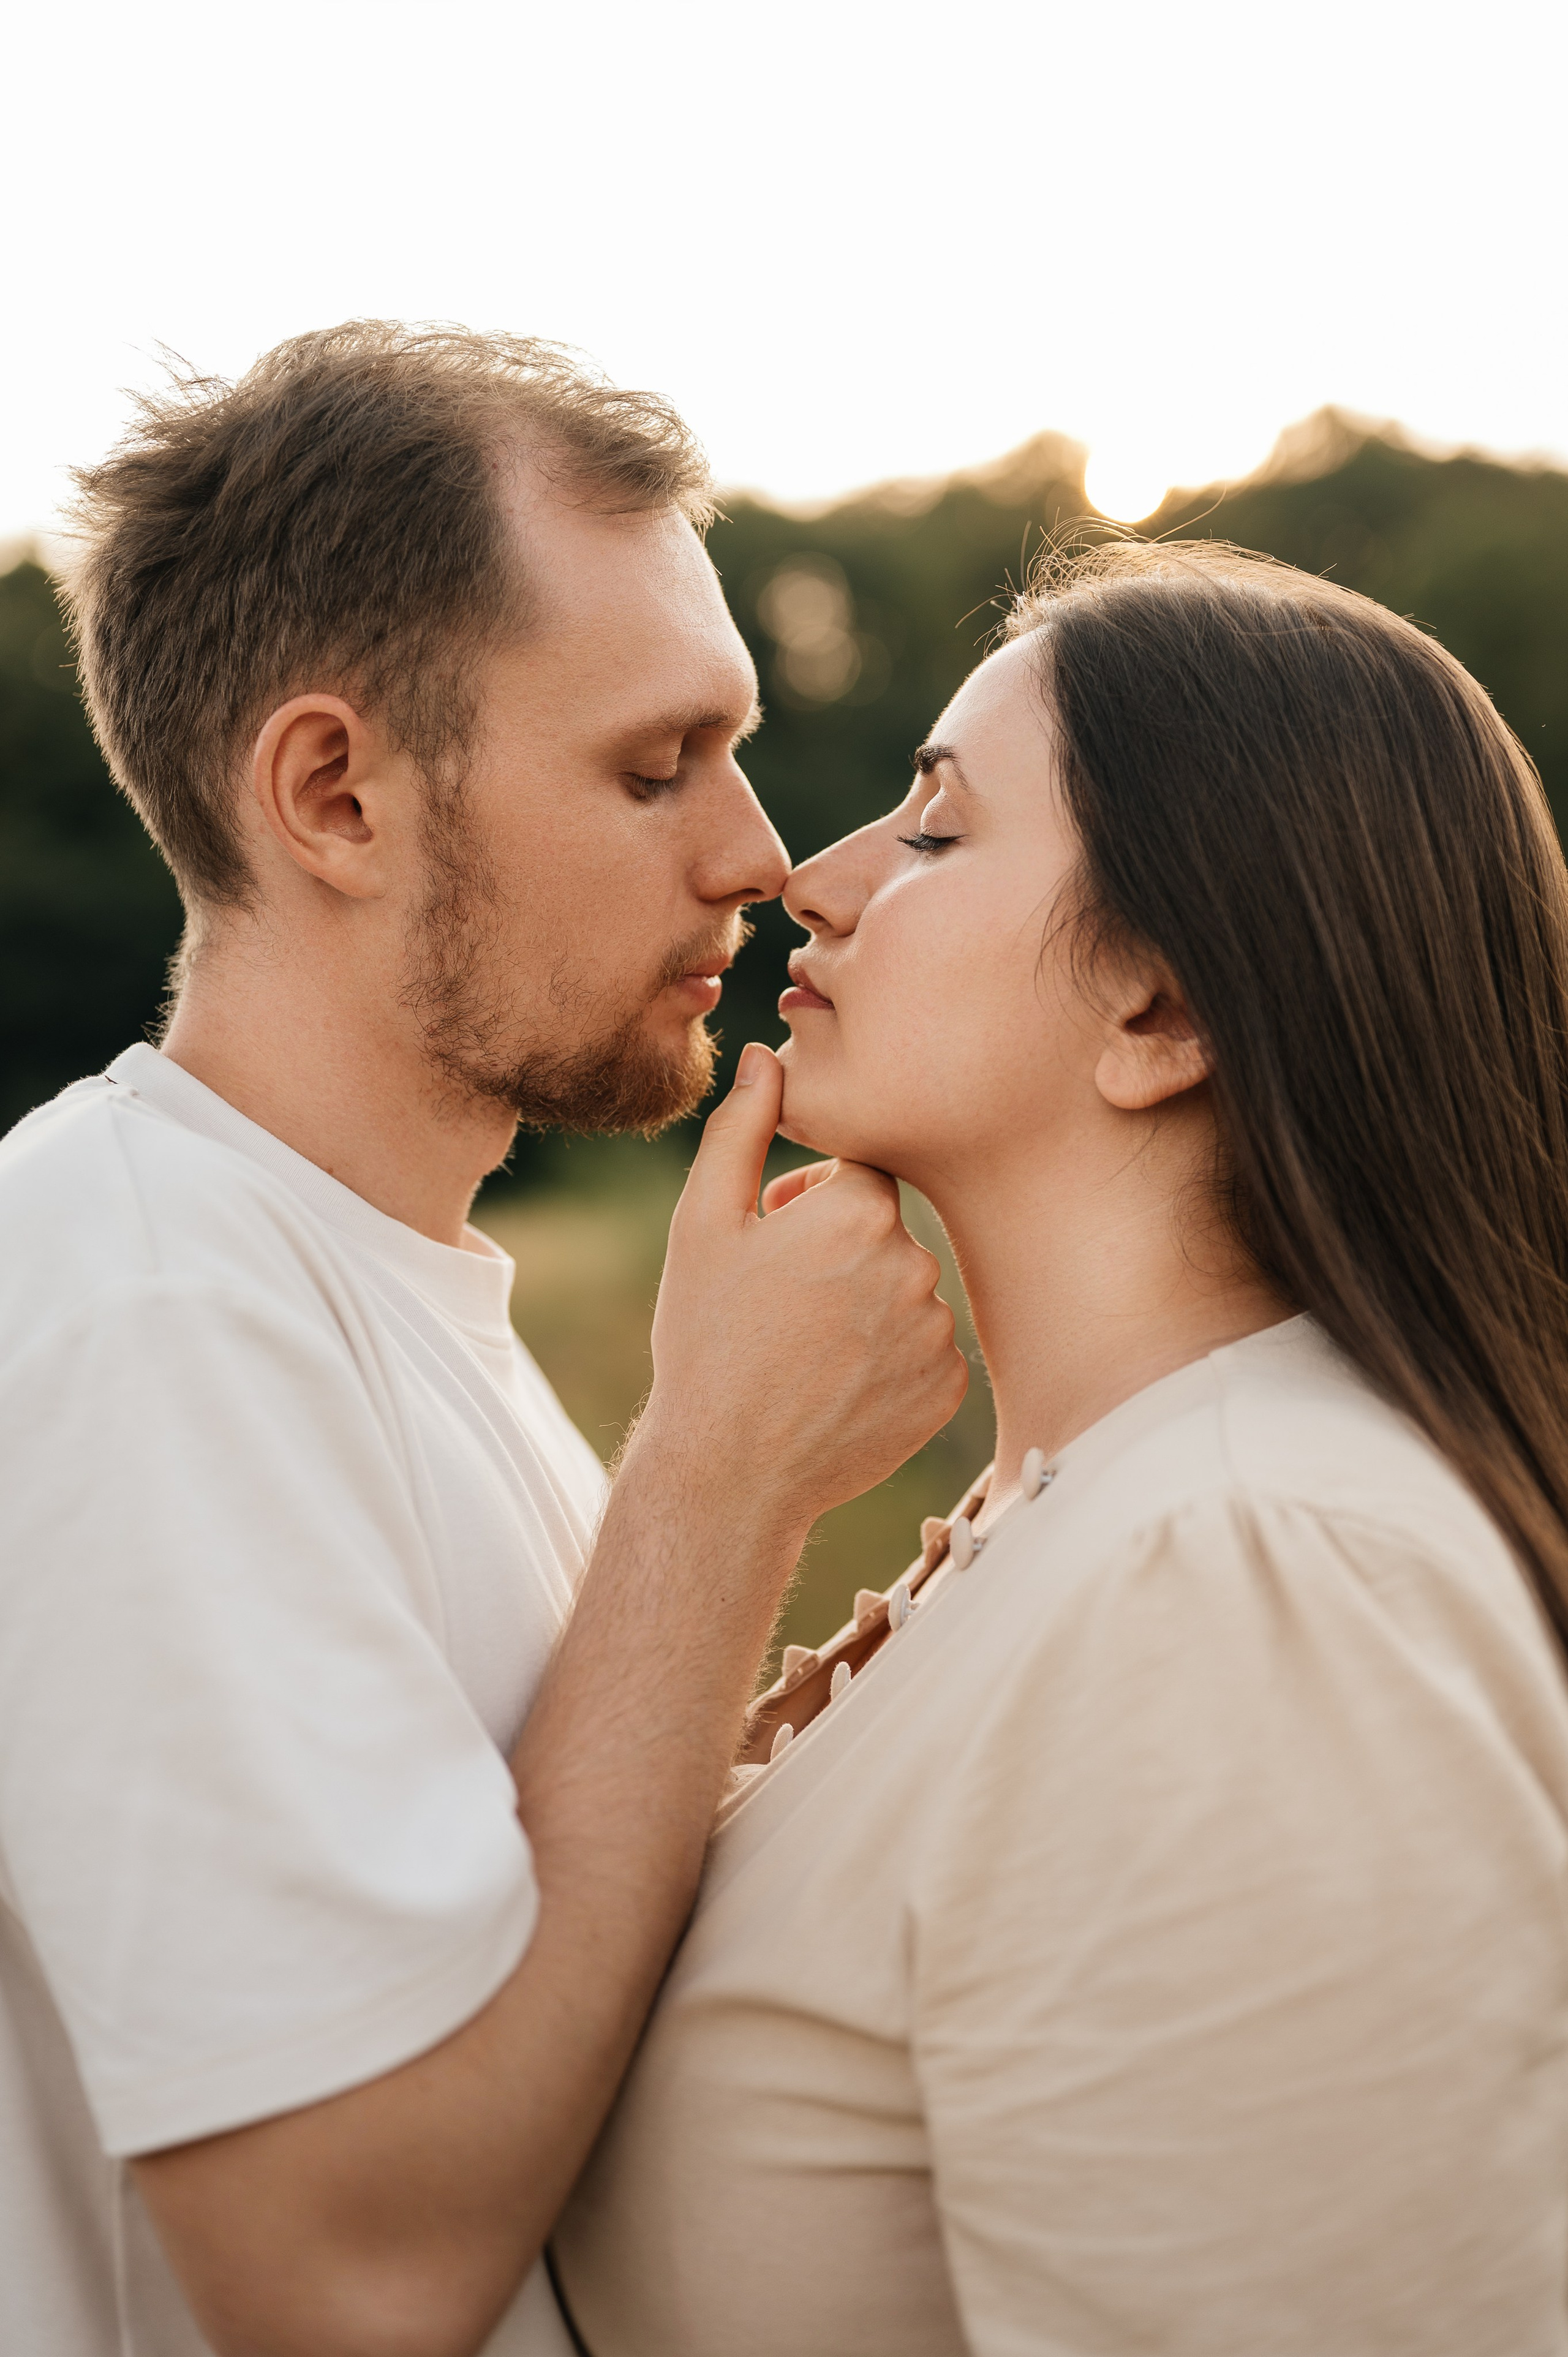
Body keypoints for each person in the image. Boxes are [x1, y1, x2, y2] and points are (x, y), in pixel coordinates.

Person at [0, 323, 967, 2357]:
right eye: (654, 766)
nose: (757, 859)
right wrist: (719, 1475)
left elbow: (517, 1944)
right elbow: (350, 2281)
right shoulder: (147, 1300)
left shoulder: (354, 1291)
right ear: (337, 795)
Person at [556, 540, 1568, 2356]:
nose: (817, 877)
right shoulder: (1089, 1521)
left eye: (936, 833)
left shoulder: (1254, 1574)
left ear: (1160, 1011)